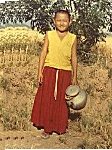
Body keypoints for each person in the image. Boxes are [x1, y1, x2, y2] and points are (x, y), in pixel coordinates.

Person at [31, 9, 78, 139]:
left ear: (70, 22)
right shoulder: (49, 35)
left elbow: (74, 57)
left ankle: (60, 126)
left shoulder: (73, 38)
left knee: (62, 100)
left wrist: (75, 76)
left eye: (65, 20)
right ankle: (47, 128)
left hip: (65, 71)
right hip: (49, 70)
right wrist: (39, 71)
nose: (61, 23)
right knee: (47, 98)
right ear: (54, 21)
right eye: (58, 20)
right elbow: (43, 53)